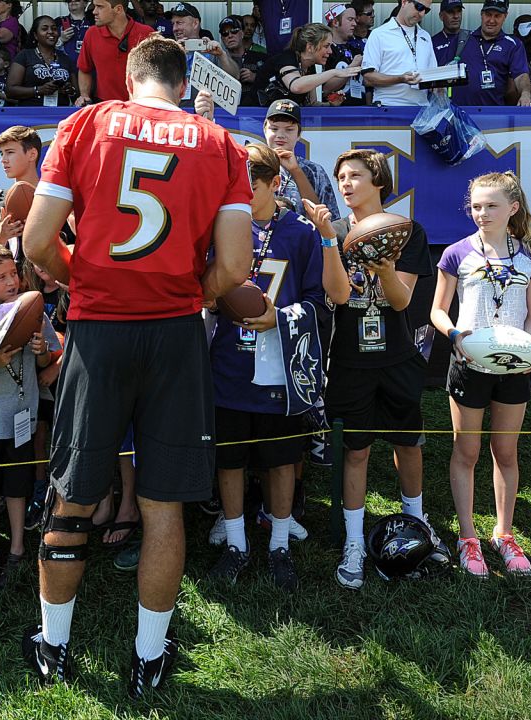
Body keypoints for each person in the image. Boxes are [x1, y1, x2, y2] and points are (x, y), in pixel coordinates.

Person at [20, 34, 252, 696]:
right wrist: (194, 296)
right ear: (183, 83)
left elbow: (39, 241)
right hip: (175, 331)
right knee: (163, 505)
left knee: (73, 493)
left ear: (130, 76)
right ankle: (149, 655)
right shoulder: (219, 143)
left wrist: (83, 283)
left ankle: (54, 645)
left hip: (99, 330)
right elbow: (234, 266)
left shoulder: (85, 122)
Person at [206, 142, 330, 593]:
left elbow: (320, 301)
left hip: (279, 364)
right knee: (231, 457)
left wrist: (279, 316)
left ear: (275, 184)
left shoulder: (300, 232)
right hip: (227, 362)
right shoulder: (220, 225)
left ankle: (279, 542)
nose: (237, 194)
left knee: (282, 459)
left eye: (248, 186)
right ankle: (236, 542)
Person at [325, 149, 437, 589]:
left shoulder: (406, 230)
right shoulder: (333, 229)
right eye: (340, 177)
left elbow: (401, 300)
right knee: (355, 450)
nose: (346, 184)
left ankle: (419, 522)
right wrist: (330, 241)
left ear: (378, 182)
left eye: (354, 175)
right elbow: (336, 295)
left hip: (396, 355)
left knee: (408, 443)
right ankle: (355, 540)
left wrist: (386, 269)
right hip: (350, 358)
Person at [431, 172, 531, 577]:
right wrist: (455, 335)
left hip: (513, 368)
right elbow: (438, 310)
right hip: (469, 365)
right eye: (476, 206)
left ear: (513, 208)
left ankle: (503, 533)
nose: (482, 213)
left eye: (492, 206)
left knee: (506, 452)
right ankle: (468, 537)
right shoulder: (456, 253)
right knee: (467, 452)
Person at [263, 100, 340, 220]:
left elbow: (329, 220)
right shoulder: (252, 165)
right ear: (264, 130)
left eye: (289, 130)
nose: (281, 135)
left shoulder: (315, 171)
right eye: (274, 129)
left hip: (303, 237)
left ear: (299, 134)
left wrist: (296, 171)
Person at [451, 0, 531, 107]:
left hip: (494, 115)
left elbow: (521, 75)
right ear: (481, 14)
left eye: (497, 16)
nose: (491, 20)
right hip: (460, 113)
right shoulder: (461, 39)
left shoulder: (513, 44)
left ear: (505, 16)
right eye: (488, 15)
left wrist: (525, 94)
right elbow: (442, 69)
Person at [0, 125, 40, 268]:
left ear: (32, 154)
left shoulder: (56, 198)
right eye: (1, 153)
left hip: (50, 283)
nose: (3, 160)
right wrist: (2, 236)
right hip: (8, 285)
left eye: (10, 152)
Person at [75, 0, 156, 105]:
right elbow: (84, 69)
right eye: (95, 6)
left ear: (118, 9)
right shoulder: (92, 34)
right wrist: (84, 95)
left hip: (140, 106)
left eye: (100, 7)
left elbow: (159, 74)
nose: (94, 11)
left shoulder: (147, 33)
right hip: (104, 107)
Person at [258, 22, 352, 105]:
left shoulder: (310, 66)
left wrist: (330, 104)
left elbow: (312, 104)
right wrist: (334, 72)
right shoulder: (286, 59)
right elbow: (296, 86)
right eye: (326, 46)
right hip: (254, 118)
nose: (330, 51)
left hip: (280, 120)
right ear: (310, 47)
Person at [362, 0, 436, 107]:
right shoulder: (379, 34)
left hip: (421, 109)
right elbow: (368, 78)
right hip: (388, 107)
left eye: (427, 10)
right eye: (419, 7)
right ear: (404, 2)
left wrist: (441, 84)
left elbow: (432, 75)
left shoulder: (425, 36)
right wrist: (400, 79)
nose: (422, 13)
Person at [170, 2, 240, 106]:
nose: (175, 28)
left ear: (195, 23)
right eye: (173, 24)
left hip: (208, 115)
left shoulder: (211, 49)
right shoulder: (170, 52)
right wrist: (173, 54)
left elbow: (235, 77)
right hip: (177, 115)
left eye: (179, 23)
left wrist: (222, 56)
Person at [9, 15, 80, 106]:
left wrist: (69, 90)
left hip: (60, 114)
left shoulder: (65, 58)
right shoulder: (25, 55)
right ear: (35, 35)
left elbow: (77, 93)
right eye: (44, 29)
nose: (50, 32)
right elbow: (10, 90)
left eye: (54, 29)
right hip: (31, 114)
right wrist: (38, 90)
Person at [221, 15, 268, 105]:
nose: (230, 36)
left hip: (255, 113)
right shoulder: (217, 59)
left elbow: (273, 84)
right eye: (225, 33)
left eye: (234, 31)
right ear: (222, 38)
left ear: (242, 34)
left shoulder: (261, 57)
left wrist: (255, 77)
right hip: (226, 114)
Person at [432, 0, 470, 66]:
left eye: (459, 11)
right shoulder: (432, 42)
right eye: (450, 12)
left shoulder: (471, 38)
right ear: (441, 16)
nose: (456, 16)